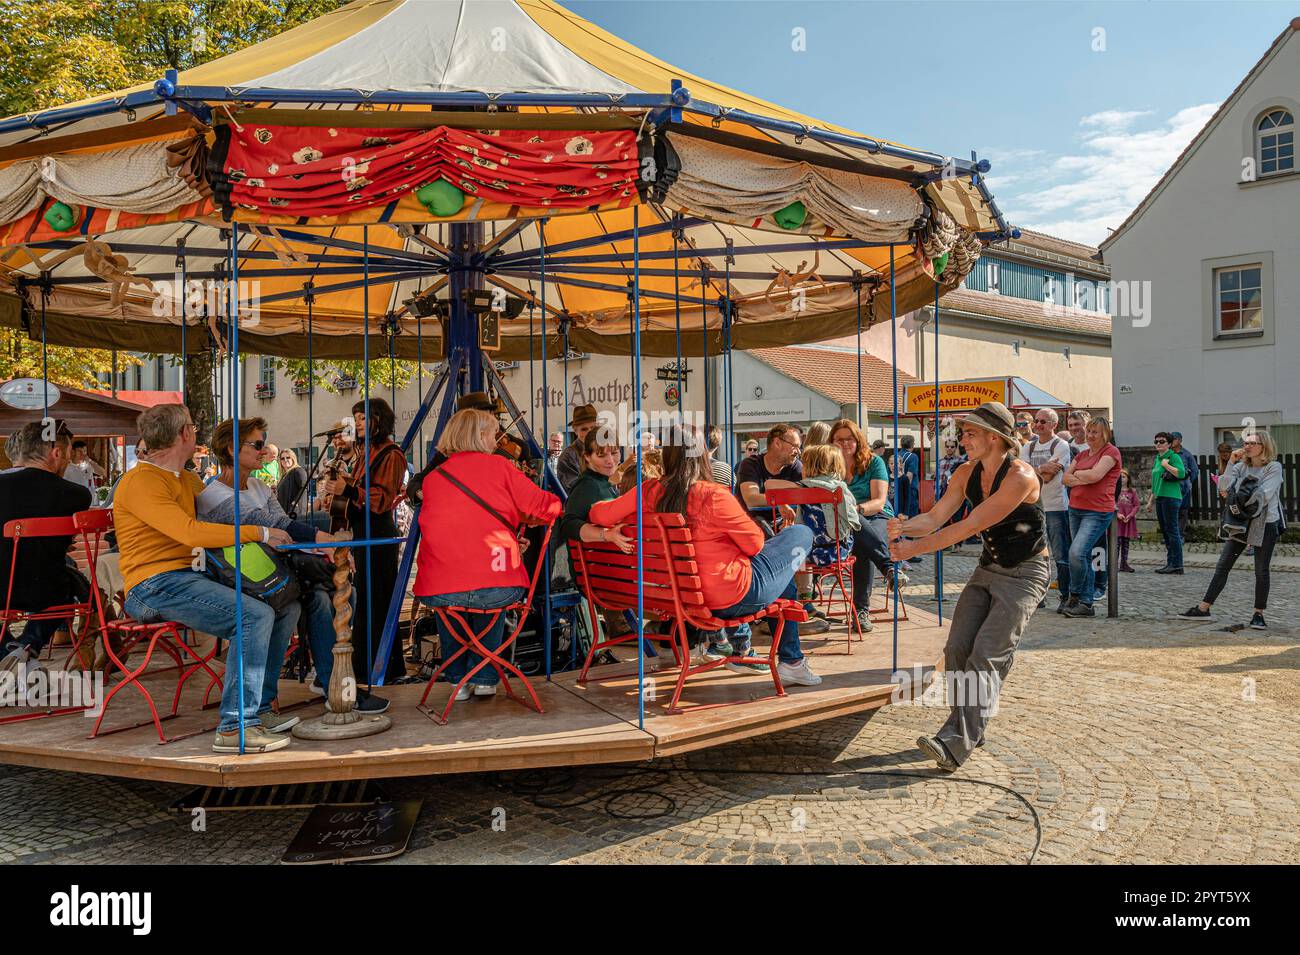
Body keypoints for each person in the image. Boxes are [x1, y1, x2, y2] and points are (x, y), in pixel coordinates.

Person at [112, 404, 297, 754]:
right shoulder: (139, 481)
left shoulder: (188, 479)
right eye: (193, 428)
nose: (196, 434)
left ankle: (259, 708)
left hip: (189, 575)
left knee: (284, 605)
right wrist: (259, 532)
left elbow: (219, 518)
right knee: (253, 615)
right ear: (183, 434)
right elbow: (189, 532)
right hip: (152, 584)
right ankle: (235, 726)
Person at [887, 402, 1049, 772]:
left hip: (1026, 572)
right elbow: (935, 518)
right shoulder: (965, 472)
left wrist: (913, 549)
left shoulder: (1021, 477)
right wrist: (905, 527)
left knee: (987, 655)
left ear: (994, 438)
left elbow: (967, 527)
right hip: (989, 567)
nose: (963, 438)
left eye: (970, 432)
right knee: (958, 648)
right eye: (963, 432)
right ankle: (971, 728)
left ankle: (954, 742)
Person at [590, 430, 823, 687]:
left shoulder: (648, 491)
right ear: (702, 456)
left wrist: (605, 522)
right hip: (731, 596)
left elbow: (598, 514)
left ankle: (789, 660)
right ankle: (791, 662)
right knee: (800, 533)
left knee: (785, 581)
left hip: (681, 596)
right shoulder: (714, 495)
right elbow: (755, 544)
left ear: (668, 455)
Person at [196, 418, 383, 714]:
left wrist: (332, 543)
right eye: (257, 444)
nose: (262, 451)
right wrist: (330, 541)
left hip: (272, 572)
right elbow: (268, 524)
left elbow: (283, 525)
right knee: (317, 600)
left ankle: (332, 681)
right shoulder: (214, 497)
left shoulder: (257, 485)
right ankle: (332, 683)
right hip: (243, 579)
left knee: (338, 594)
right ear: (232, 449)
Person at [414, 409, 561, 700]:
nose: (497, 440)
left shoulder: (432, 479)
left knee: (452, 605)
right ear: (480, 436)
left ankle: (457, 678)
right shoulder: (500, 467)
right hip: (496, 583)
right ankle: (485, 676)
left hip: (439, 587)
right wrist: (555, 503)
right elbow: (545, 507)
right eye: (493, 434)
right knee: (491, 601)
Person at [321, 398, 408, 683]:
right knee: (366, 600)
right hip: (362, 531)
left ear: (378, 420)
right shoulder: (365, 452)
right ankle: (365, 665)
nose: (357, 423)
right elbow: (358, 493)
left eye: (362, 417)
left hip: (379, 533)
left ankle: (383, 666)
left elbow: (381, 499)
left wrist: (349, 489)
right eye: (355, 417)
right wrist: (339, 491)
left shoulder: (391, 454)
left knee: (379, 600)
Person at [0, 422, 92, 673]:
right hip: (48, 591)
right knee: (68, 579)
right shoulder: (78, 496)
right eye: (70, 452)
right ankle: (26, 650)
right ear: (56, 453)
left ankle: (8, 652)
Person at [1179, 431, 1283, 629]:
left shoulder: (1273, 467)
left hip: (1265, 523)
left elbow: (1264, 496)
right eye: (1245, 443)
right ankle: (1203, 608)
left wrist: (1236, 498)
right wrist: (1231, 464)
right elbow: (1224, 487)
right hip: (1240, 523)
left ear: (1264, 445)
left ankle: (1258, 613)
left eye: (1252, 443)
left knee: (1261, 570)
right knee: (1223, 565)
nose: (1247, 446)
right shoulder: (1241, 466)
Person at [830, 418, 894, 633]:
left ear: (858, 441)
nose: (845, 443)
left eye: (850, 439)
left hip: (875, 515)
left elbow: (879, 501)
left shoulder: (874, 462)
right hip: (843, 521)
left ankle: (860, 611)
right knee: (858, 535)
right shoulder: (829, 465)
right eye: (839, 439)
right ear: (831, 442)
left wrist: (855, 510)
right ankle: (888, 568)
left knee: (861, 544)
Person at [1060, 417, 1121, 617]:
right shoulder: (1083, 453)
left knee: (1077, 553)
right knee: (1081, 555)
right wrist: (1084, 476)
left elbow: (1096, 476)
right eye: (1089, 431)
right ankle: (1085, 603)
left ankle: (1076, 594)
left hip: (1097, 511)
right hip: (1075, 508)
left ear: (1105, 434)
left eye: (1095, 432)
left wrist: (1079, 475)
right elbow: (1065, 479)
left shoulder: (1111, 452)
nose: (1090, 435)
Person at [1020, 408, 1072, 610]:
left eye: (1043, 421)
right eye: (1036, 421)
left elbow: (1049, 477)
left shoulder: (1061, 445)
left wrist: (1035, 473)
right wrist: (1042, 470)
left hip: (1057, 506)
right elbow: (1024, 476)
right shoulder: (1029, 447)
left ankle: (1065, 596)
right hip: (1034, 506)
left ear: (1053, 424)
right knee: (1037, 554)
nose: (1038, 425)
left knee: (1060, 554)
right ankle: (1039, 595)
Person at [797, 443, 860, 566]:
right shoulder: (839, 488)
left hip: (805, 553)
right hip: (836, 551)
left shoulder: (801, 488)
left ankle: (805, 585)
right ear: (836, 466)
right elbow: (853, 519)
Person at [736, 423, 803, 532]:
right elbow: (751, 499)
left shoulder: (796, 466)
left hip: (781, 527)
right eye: (794, 446)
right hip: (749, 527)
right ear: (777, 443)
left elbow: (803, 496)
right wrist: (780, 502)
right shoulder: (751, 464)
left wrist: (792, 522)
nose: (798, 452)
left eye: (799, 447)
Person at [1143, 432, 1186, 574]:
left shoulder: (1173, 457)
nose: (1158, 444)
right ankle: (1170, 563)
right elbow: (1156, 483)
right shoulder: (1158, 458)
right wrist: (1150, 501)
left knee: (1173, 531)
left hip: (1171, 497)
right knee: (1167, 532)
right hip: (1161, 497)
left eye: (1162, 441)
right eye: (1156, 442)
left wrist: (1166, 465)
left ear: (1169, 444)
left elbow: (1181, 473)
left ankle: (1177, 564)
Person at [555, 403, 599, 494]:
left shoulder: (602, 449)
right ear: (575, 430)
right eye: (584, 429)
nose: (589, 433)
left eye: (593, 428)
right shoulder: (568, 456)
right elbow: (576, 492)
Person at [1169, 432, 1199, 535]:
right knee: (1171, 511)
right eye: (1171, 439)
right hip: (1170, 487)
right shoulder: (1168, 454)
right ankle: (1171, 535)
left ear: (1180, 440)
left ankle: (1179, 535)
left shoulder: (1186, 454)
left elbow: (1194, 470)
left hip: (1183, 488)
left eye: (1174, 439)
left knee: (1183, 511)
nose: (1172, 441)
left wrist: (1188, 483)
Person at [275, 448, 309, 519]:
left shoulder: (298, 470)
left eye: (288, 457)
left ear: (293, 458)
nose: (285, 460)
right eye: (282, 458)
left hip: (295, 512)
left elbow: (304, 488)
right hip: (284, 512)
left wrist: (294, 503)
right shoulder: (284, 475)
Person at [1116, 470, 1138, 573]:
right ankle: (1113, 564)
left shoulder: (1132, 491)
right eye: (1120, 477)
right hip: (1117, 521)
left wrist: (1130, 515)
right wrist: (1117, 514)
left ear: (1128, 478)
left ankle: (1124, 563)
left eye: (1124, 477)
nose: (1122, 479)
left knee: (1125, 543)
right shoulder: (1115, 491)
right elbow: (1111, 504)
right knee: (1116, 543)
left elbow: (1136, 505)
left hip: (1127, 521)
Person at [896, 435, 921, 520]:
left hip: (896, 491)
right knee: (911, 519)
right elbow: (909, 476)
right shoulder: (913, 457)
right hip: (909, 491)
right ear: (912, 444)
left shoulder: (895, 456)